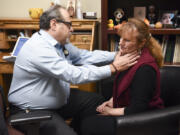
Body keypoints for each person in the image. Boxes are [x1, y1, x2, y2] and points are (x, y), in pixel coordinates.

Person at [8, 5, 139, 135]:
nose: (72, 28)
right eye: (69, 24)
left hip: (56, 101)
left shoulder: (59, 43)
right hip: (32, 110)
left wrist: (115, 55)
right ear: (54, 24)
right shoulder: (39, 48)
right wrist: (114, 68)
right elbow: (73, 75)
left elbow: (84, 56)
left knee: (95, 102)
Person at [81, 18, 164, 135]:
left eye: (127, 40)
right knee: (85, 116)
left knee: (88, 124)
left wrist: (110, 111)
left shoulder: (145, 69)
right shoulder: (128, 58)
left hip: (144, 121)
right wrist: (112, 100)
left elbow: (138, 109)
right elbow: (126, 88)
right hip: (129, 113)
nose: (120, 43)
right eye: (121, 38)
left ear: (142, 42)